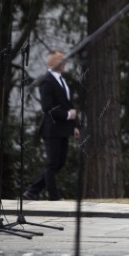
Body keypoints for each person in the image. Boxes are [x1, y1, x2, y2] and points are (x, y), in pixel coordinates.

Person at [23, 50, 80, 201]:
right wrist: (67, 115)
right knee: (52, 163)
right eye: (61, 60)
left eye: (64, 60)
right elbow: (47, 106)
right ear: (51, 62)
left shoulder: (62, 80)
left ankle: (32, 190)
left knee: (59, 163)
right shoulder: (46, 81)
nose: (64, 63)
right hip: (52, 128)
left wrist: (74, 125)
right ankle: (53, 196)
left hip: (63, 128)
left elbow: (68, 103)